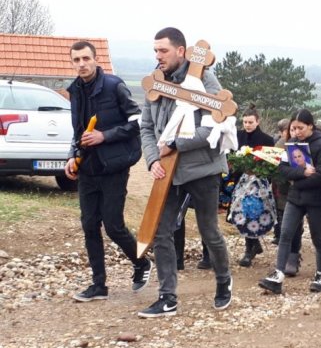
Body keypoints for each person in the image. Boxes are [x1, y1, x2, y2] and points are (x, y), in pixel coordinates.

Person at [138, 27, 233, 317]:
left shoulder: (204, 79)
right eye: (155, 51)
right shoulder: (156, 82)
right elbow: (146, 126)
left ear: (181, 51)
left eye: (163, 50)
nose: (158, 56)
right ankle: (167, 296)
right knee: (162, 232)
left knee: (209, 232)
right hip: (166, 171)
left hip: (202, 171)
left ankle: (223, 281)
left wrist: (176, 144)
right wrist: (154, 158)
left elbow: (213, 127)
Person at [64, 40, 152, 302]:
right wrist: (71, 156)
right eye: (76, 60)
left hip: (114, 165)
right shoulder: (74, 91)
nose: (81, 64)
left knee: (113, 226)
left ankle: (142, 262)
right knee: (89, 225)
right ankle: (98, 286)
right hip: (88, 168)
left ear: (95, 59)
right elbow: (78, 131)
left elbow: (138, 121)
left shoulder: (114, 86)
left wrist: (106, 136)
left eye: (85, 59)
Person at [259, 109, 321, 294]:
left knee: (317, 238)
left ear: (310, 127)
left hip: (316, 199)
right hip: (295, 197)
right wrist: (302, 173)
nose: (296, 132)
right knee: (285, 234)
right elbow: (283, 169)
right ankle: (278, 274)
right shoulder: (291, 144)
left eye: (300, 128)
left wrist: (298, 179)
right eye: (293, 128)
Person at [236, 105, 275, 267]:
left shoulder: (267, 139)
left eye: (250, 122)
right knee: (243, 212)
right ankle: (251, 246)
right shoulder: (238, 136)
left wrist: (262, 174)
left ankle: (250, 248)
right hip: (242, 181)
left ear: (257, 122)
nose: (247, 125)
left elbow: (271, 163)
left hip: (259, 182)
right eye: (245, 122)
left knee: (255, 212)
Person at [273, 118, 304, 275]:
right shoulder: (279, 145)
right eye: (291, 130)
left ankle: (293, 255)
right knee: (284, 225)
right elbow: (273, 165)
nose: (294, 133)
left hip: (300, 189)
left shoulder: (305, 146)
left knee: (296, 226)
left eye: (296, 129)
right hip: (283, 189)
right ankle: (282, 259)